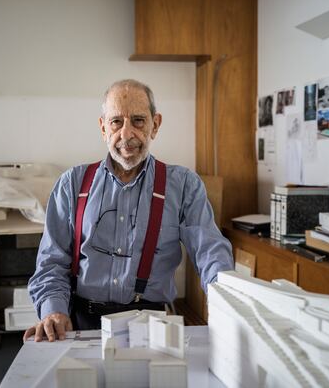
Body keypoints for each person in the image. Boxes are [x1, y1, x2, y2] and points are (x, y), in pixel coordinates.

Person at [24, 79, 233, 342]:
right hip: (81, 323)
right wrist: (53, 311)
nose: (126, 134)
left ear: (154, 125)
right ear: (103, 127)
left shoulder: (183, 186)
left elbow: (211, 251)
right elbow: (52, 261)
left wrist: (229, 301)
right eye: (116, 122)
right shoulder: (72, 184)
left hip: (153, 325)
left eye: (138, 121)